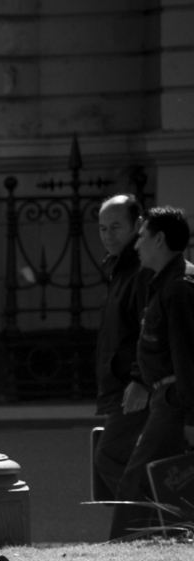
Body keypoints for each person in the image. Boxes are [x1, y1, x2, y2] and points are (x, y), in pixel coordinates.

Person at [109, 205, 194, 540]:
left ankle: (119, 552)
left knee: (138, 479)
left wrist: (190, 419)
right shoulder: (165, 283)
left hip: (174, 400)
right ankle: (166, 539)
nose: (136, 243)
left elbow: (188, 359)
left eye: (142, 235)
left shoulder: (179, 288)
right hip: (167, 397)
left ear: (159, 239)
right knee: (167, 479)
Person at [91, 195, 151, 503]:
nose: (108, 235)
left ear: (137, 225)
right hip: (124, 382)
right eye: (103, 228)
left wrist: (139, 379)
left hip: (135, 385)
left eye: (116, 227)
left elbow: (149, 329)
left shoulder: (140, 269)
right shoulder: (120, 268)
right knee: (126, 456)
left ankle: (151, 521)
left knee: (110, 455)